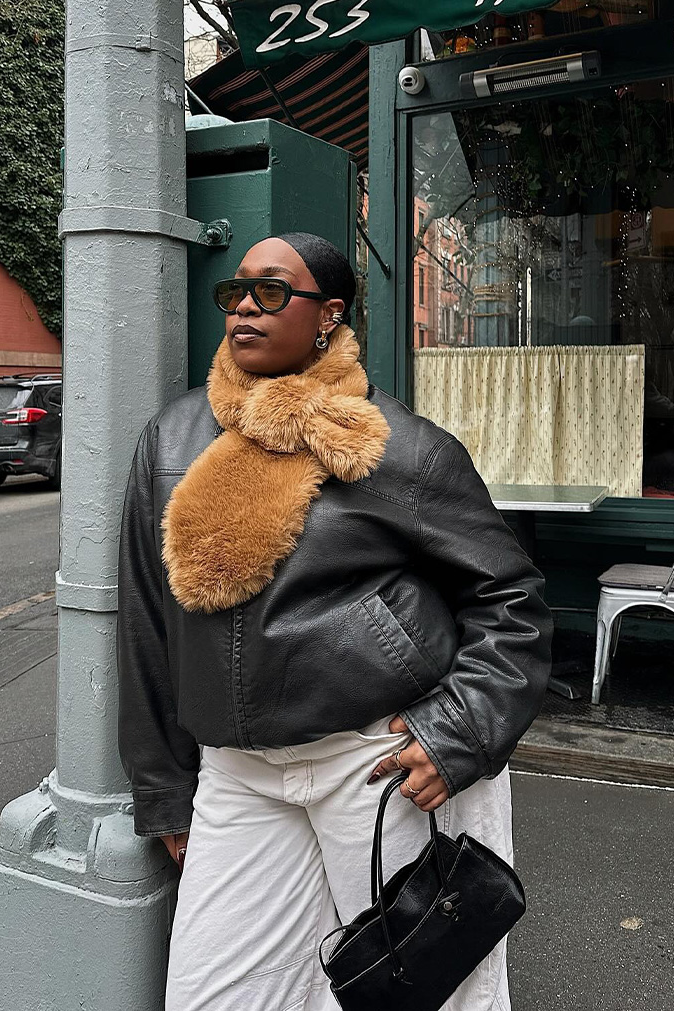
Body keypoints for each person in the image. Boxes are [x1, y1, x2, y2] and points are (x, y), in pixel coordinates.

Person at [117, 232, 552, 1011]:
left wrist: (456, 731)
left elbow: (511, 599)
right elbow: (150, 626)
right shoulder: (171, 441)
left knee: (412, 990)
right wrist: (164, 790)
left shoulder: (401, 447)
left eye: (273, 290)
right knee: (212, 994)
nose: (245, 304)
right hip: (238, 772)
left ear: (330, 314)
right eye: (236, 291)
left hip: (374, 763)